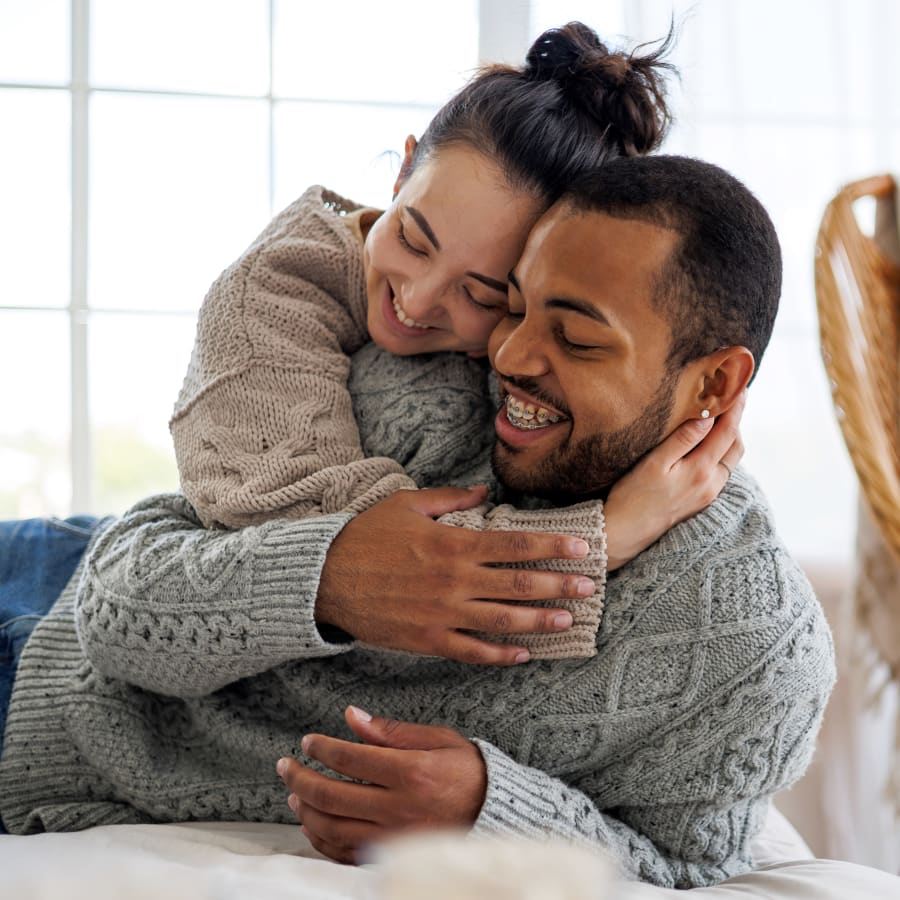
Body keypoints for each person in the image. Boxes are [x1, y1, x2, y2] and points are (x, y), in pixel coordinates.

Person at [0, 155, 833, 891]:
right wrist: (331, 579)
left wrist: (489, 804)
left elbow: (684, 864)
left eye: (576, 339)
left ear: (716, 385)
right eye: (514, 306)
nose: (506, 357)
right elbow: (121, 587)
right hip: (43, 627)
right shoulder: (435, 394)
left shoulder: (761, 652)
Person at [167, 22, 743, 664]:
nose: (415, 300)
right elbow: (369, 560)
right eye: (413, 240)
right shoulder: (267, 297)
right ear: (404, 168)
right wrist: (613, 533)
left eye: (483, 294)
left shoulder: (522, 344)